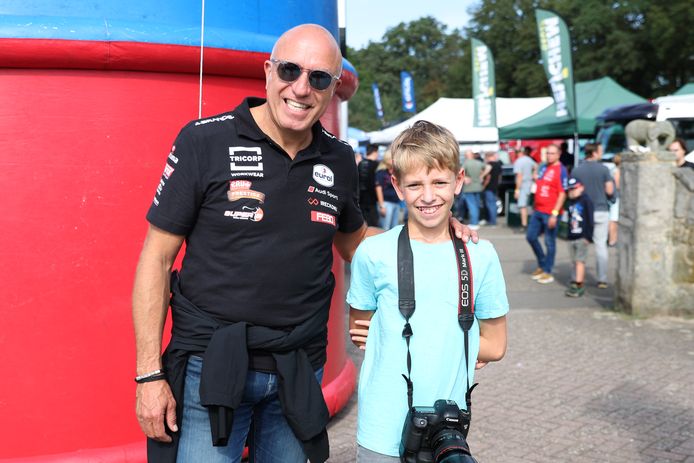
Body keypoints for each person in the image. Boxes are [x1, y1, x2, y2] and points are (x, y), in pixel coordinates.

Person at [132, 24, 477, 463]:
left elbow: (358, 246)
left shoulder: (338, 157)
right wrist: (149, 375)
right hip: (209, 364)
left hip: (298, 368)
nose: (301, 88)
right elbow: (156, 260)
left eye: (318, 78)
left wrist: (437, 230)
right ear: (267, 72)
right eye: (289, 70)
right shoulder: (204, 140)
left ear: (333, 87)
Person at [346, 121, 509, 462]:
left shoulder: (481, 255)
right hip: (381, 425)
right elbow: (361, 332)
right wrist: (457, 344)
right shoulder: (372, 254)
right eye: (415, 184)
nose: (429, 196)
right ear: (396, 185)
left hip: (446, 429)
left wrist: (457, 343)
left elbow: (495, 345)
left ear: (459, 181)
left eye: (439, 182)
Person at [571, 143, 614, 289]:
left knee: (579, 244)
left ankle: (576, 278)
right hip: (600, 210)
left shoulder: (577, 170)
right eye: (600, 151)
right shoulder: (603, 169)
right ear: (594, 153)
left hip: (582, 213)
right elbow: (610, 190)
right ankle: (602, 279)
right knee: (601, 245)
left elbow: (571, 191)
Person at [526, 143, 568, 284]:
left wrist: (555, 213)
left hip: (550, 212)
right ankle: (542, 264)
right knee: (531, 237)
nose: (549, 156)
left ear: (558, 154)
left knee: (549, 242)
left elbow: (562, 194)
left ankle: (548, 271)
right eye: (547, 153)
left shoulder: (561, 170)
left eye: (552, 153)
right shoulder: (544, 167)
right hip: (538, 209)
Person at [564, 178, 594, 298]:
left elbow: (590, 220)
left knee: (579, 261)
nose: (572, 192)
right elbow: (569, 220)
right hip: (572, 235)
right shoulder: (570, 202)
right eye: (570, 189)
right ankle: (574, 280)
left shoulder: (586, 201)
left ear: (581, 187)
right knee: (574, 260)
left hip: (582, 235)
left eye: (574, 188)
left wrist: (588, 236)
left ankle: (579, 284)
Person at [458, 149, 486, 230]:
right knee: (477, 205)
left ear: (467, 156)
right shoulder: (479, 163)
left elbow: (460, 172)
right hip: (478, 186)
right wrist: (482, 176)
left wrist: (465, 178)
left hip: (469, 187)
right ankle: (477, 220)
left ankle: (474, 223)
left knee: (472, 205)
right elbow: (488, 167)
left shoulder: (466, 163)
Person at [375, 150, 401, 230]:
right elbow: (378, 189)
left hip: (396, 203)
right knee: (385, 229)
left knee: (394, 229)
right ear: (388, 159)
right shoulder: (381, 172)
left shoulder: (396, 172)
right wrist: (382, 206)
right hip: (386, 203)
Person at [513, 146, 537, 230]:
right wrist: (533, 175)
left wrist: (517, 190)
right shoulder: (529, 160)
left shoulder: (518, 162)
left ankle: (524, 225)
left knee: (522, 206)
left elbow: (519, 176)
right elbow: (536, 168)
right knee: (532, 205)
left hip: (523, 185)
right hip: (531, 185)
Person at [358, 144, 380, 226]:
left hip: (361, 198)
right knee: (373, 224)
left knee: (362, 223)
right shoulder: (376, 165)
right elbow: (377, 184)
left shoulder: (360, 163)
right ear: (375, 152)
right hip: (372, 200)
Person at [482, 151, 502, 226]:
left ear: (488, 157)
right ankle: (493, 220)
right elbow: (500, 177)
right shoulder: (498, 165)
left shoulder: (489, 165)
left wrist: (483, 185)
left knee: (490, 204)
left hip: (489, 187)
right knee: (493, 203)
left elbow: (487, 177)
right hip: (495, 187)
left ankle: (492, 221)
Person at [605, 153, 621, 246]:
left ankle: (612, 239)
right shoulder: (617, 171)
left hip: (612, 198)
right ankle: (612, 240)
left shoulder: (612, 170)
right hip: (616, 197)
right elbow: (618, 185)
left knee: (613, 218)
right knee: (613, 219)